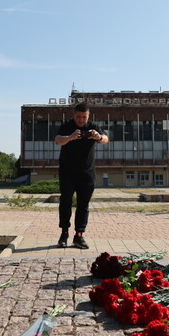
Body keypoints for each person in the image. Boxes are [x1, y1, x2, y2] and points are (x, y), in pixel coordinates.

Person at [54, 103, 109, 249]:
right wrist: (70, 137)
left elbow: (105, 140)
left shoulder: (93, 126)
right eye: (78, 117)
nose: (81, 120)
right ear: (74, 115)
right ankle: (64, 233)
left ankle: (79, 235)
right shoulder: (67, 125)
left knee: (83, 205)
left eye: (84, 117)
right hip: (67, 172)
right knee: (65, 201)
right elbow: (58, 140)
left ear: (88, 116)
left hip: (87, 173)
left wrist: (98, 137)